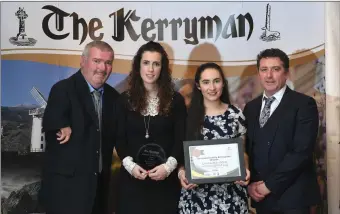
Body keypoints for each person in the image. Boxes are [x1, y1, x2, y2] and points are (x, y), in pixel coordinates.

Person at [39, 41, 119, 214]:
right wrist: (61, 126)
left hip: (99, 194)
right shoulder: (63, 89)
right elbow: (53, 122)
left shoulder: (114, 97)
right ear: (83, 61)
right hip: (66, 194)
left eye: (108, 63)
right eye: (97, 61)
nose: (102, 68)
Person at [243, 48, 321, 214]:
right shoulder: (250, 108)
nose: (269, 75)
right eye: (264, 70)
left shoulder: (304, 105)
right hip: (262, 199)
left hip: (294, 200)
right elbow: (247, 151)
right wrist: (250, 185)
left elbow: (301, 153)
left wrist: (268, 186)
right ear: (258, 73)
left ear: (286, 73)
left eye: (275, 69)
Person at [115, 41, 187, 214]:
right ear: (138, 66)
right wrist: (130, 166)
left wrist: (168, 167)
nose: (150, 69)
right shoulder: (124, 100)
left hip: (165, 183)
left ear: (162, 68)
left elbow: (181, 138)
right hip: (132, 182)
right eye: (146, 63)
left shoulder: (175, 100)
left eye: (156, 64)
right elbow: (119, 137)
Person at [178, 62, 250, 214]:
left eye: (216, 81)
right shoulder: (186, 116)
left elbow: (242, 151)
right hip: (196, 199)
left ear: (223, 83)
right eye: (206, 82)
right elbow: (180, 155)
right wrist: (182, 173)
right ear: (198, 86)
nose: (212, 88)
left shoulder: (235, 114)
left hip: (231, 198)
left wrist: (246, 169)